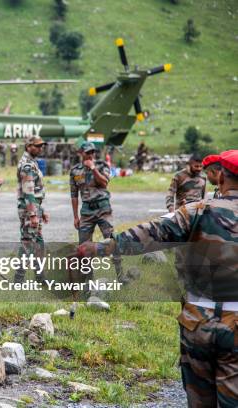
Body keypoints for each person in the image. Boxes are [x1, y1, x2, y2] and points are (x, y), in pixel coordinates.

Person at [78, 149, 238, 408]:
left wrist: (101, 247)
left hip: (197, 322)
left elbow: (151, 233)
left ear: (220, 178)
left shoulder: (196, 211)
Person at [70, 142, 123, 283]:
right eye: (88, 152)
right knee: (83, 246)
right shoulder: (75, 171)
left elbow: (104, 183)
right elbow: (74, 195)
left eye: (93, 152)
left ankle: (120, 276)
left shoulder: (101, 166)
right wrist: (75, 217)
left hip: (103, 209)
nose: (91, 155)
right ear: (81, 153)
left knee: (112, 241)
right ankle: (88, 280)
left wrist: (93, 168)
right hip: (86, 211)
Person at [16, 136, 49, 281]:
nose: (40, 148)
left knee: (38, 243)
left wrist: (41, 210)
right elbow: (28, 191)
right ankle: (18, 279)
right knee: (28, 243)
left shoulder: (32, 162)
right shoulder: (27, 165)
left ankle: (40, 277)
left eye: (42, 146)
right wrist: (33, 214)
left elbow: (35, 191)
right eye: (37, 146)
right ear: (29, 146)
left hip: (35, 207)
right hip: (30, 210)